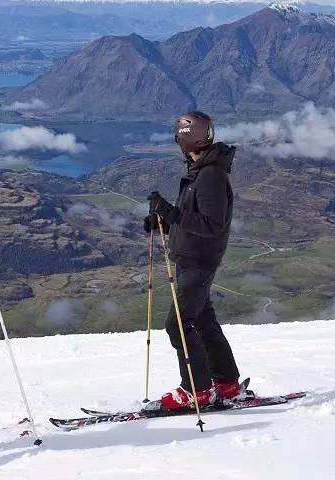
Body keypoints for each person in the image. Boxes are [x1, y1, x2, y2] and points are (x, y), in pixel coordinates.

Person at [145, 111, 244, 411]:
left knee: (177, 325)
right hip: (193, 257)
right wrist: (163, 221)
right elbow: (194, 217)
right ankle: (226, 383)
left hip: (199, 260)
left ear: (186, 139)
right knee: (202, 319)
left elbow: (211, 225)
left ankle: (196, 390)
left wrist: (172, 213)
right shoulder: (202, 170)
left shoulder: (210, 175)